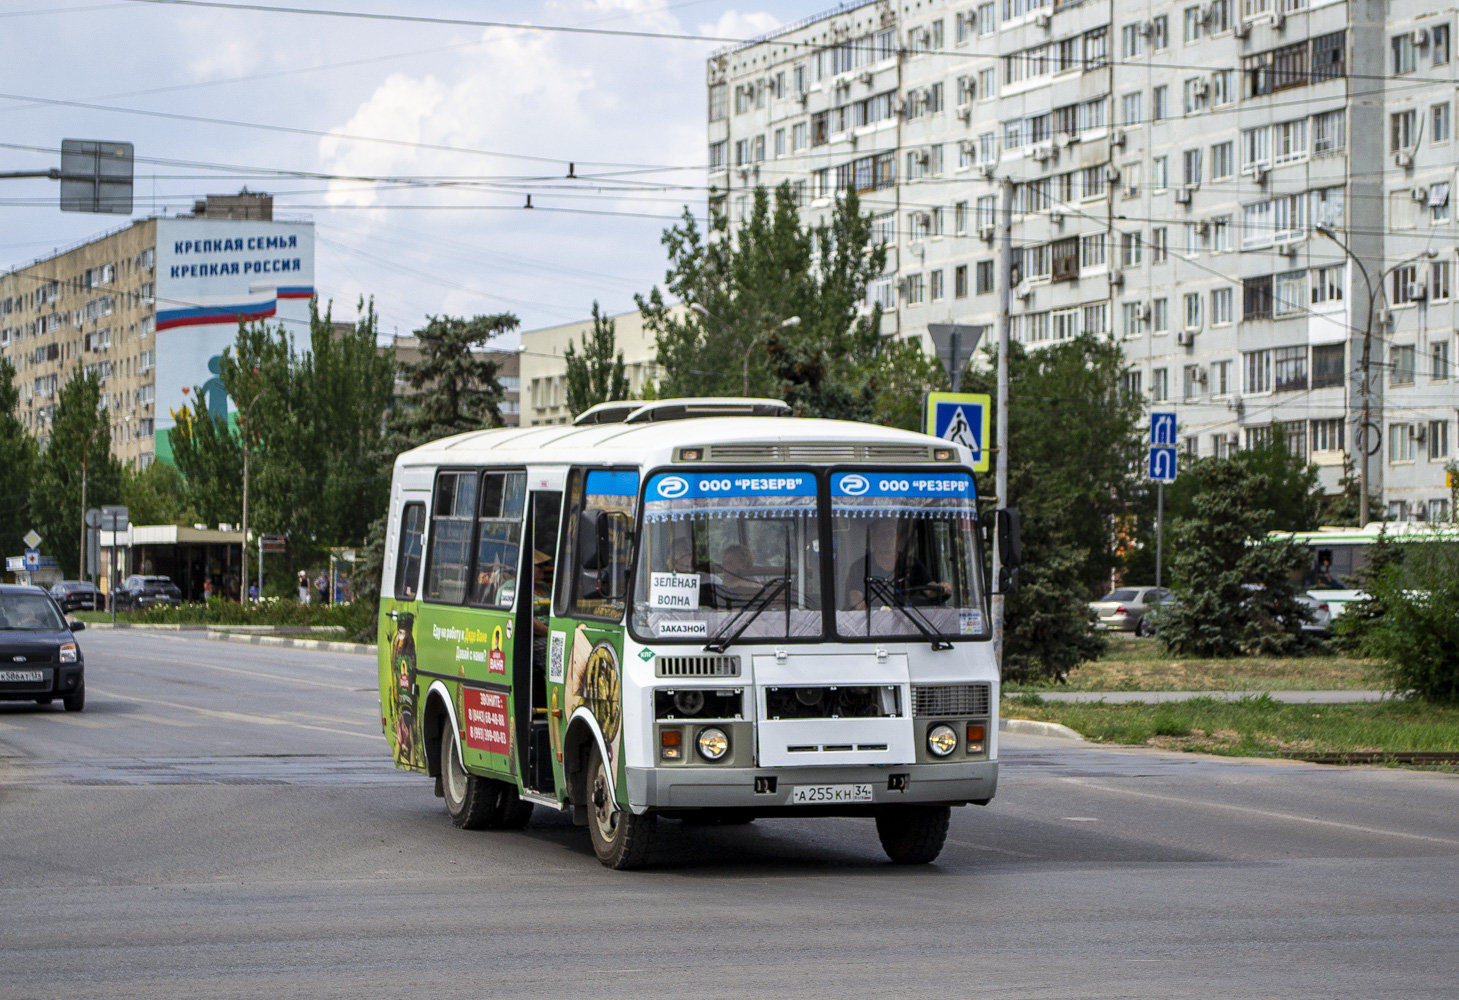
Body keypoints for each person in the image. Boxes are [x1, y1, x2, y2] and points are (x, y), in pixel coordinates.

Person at [845, 518, 950, 610]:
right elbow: (855, 597)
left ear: (897, 537)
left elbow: (930, 590)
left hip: (909, 622)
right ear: (872, 538)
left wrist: (942, 588)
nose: (887, 539)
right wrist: (871, 616)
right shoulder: (861, 566)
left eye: (891, 533)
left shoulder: (912, 564)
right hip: (874, 623)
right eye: (882, 534)